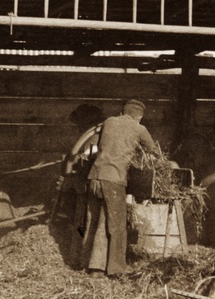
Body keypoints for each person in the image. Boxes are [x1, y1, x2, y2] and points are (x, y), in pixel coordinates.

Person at [83, 98, 161, 277]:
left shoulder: (109, 122)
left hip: (94, 176)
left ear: (123, 112)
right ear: (139, 117)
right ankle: (116, 269)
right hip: (114, 179)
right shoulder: (139, 128)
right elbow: (155, 153)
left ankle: (93, 266)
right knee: (116, 225)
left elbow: (100, 146)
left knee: (94, 221)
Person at [51, 103, 104, 260]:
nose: (77, 127)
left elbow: (87, 160)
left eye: (79, 123)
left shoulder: (94, 136)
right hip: (84, 183)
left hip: (87, 185)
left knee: (81, 221)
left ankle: (77, 255)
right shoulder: (90, 134)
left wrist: (70, 178)